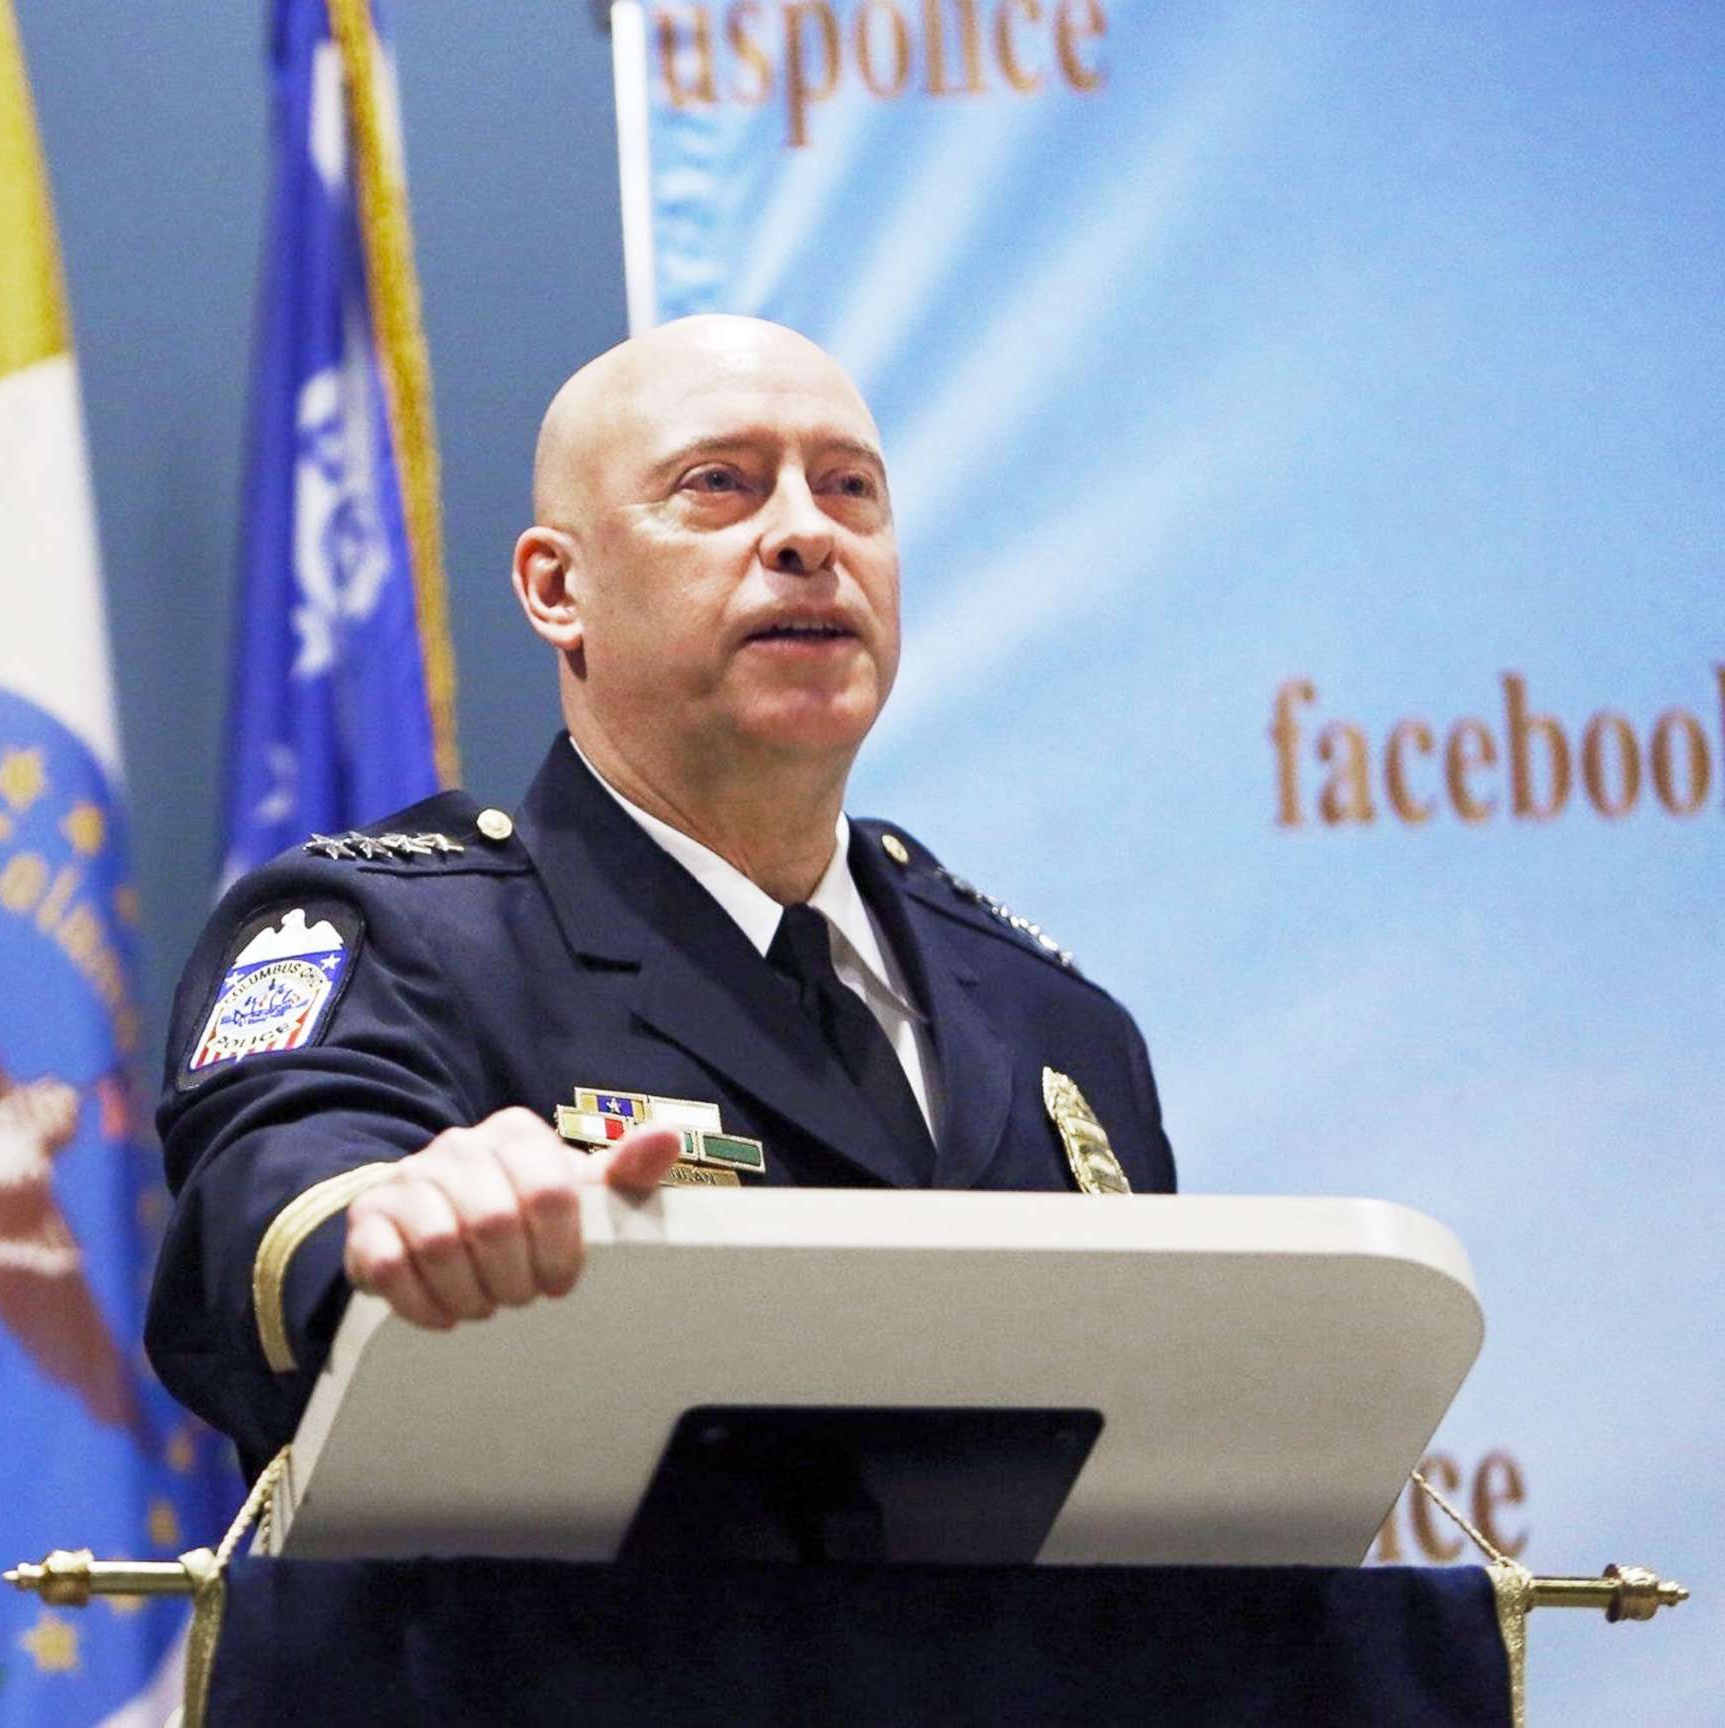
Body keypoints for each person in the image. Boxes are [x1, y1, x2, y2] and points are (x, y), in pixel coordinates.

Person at [146, 315, 1175, 1472]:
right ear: (556, 589)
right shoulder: (399, 939)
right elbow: (266, 1197)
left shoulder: (1055, 1025)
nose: (806, 534)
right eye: (720, 485)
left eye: (850, 491)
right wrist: (391, 1212)